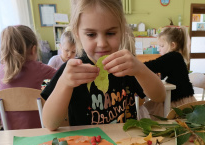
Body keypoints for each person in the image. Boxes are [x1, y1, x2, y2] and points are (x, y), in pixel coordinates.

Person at [41, 0, 166, 131]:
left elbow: (160, 96)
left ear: (122, 30)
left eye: (110, 33)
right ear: (77, 33)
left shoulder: (126, 66)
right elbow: (50, 124)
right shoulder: (71, 71)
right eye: (91, 34)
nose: (101, 43)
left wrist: (141, 70)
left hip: (126, 144)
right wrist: (64, 83)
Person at [0, 25, 56, 130]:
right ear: (33, 49)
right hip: (37, 128)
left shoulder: (2, 69)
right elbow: (62, 75)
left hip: (8, 131)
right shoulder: (38, 68)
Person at [142, 26, 196, 119]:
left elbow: (151, 66)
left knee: (147, 112)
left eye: (162, 46)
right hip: (174, 98)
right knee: (146, 108)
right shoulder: (175, 57)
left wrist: (134, 65)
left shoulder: (173, 56)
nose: (159, 49)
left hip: (177, 103)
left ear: (172, 45)